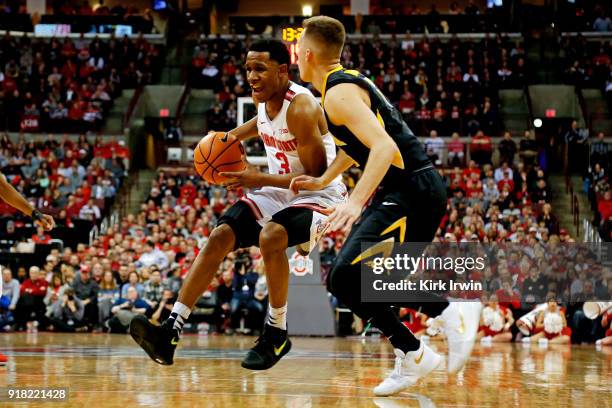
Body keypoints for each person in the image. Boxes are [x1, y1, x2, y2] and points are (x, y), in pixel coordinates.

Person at [290, 16, 482, 396]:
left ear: (307, 53)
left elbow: (384, 148)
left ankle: (448, 312)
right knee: (364, 281)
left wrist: (355, 202)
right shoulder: (342, 84)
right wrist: (324, 180)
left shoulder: (337, 94)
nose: (296, 59)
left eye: (297, 53)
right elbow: (357, 147)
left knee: (347, 277)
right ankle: (413, 351)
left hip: (409, 190)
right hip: (412, 190)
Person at [129, 39, 347, 368]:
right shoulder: (263, 103)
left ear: (283, 70)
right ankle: (170, 330)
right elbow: (253, 128)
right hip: (282, 190)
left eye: (260, 68)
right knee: (220, 235)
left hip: (322, 194)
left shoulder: (301, 107)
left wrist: (257, 179)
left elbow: (316, 176)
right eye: (248, 69)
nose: (252, 76)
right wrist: (219, 144)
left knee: (272, 236)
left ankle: (276, 333)